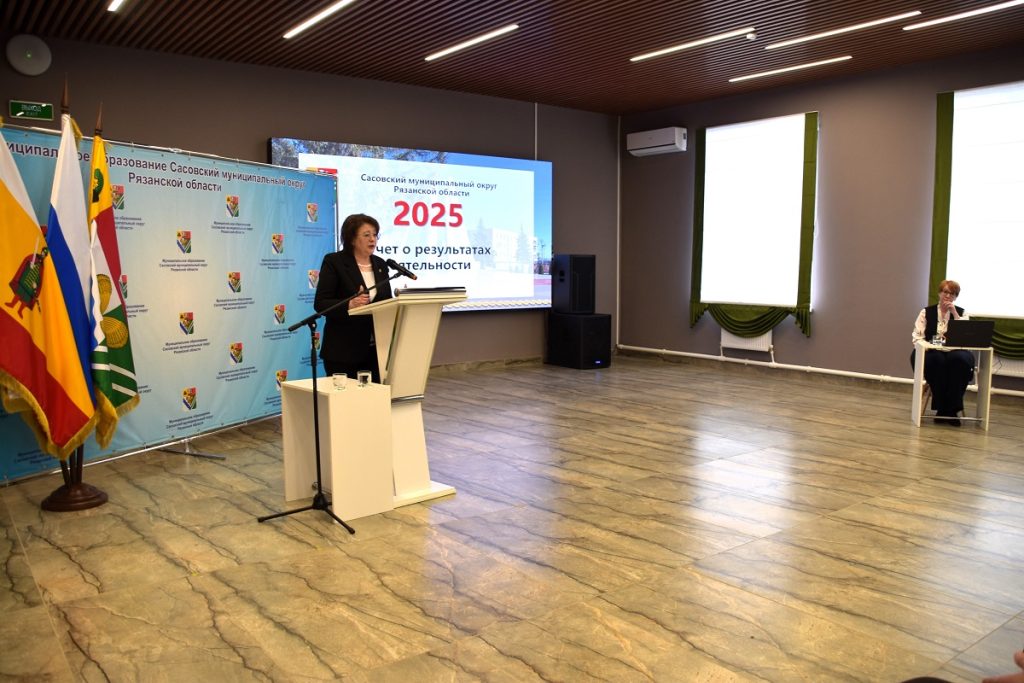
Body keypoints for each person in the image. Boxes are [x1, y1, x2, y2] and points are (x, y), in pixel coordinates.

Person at [314, 213, 392, 382]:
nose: (372, 239)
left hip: (377, 350)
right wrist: (349, 304)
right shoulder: (335, 262)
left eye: (375, 234)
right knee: (344, 398)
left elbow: (386, 301)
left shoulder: (380, 264)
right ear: (352, 239)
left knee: (373, 396)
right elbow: (321, 303)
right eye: (366, 235)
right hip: (344, 350)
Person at [910, 279, 974, 426]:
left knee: (960, 361)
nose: (948, 296)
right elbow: (917, 337)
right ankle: (942, 409)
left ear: (956, 297)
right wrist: (933, 345)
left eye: (952, 294)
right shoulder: (926, 312)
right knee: (936, 361)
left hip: (955, 350)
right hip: (931, 350)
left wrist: (954, 314)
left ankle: (951, 410)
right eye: (945, 292)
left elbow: (966, 336)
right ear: (939, 293)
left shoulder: (962, 313)